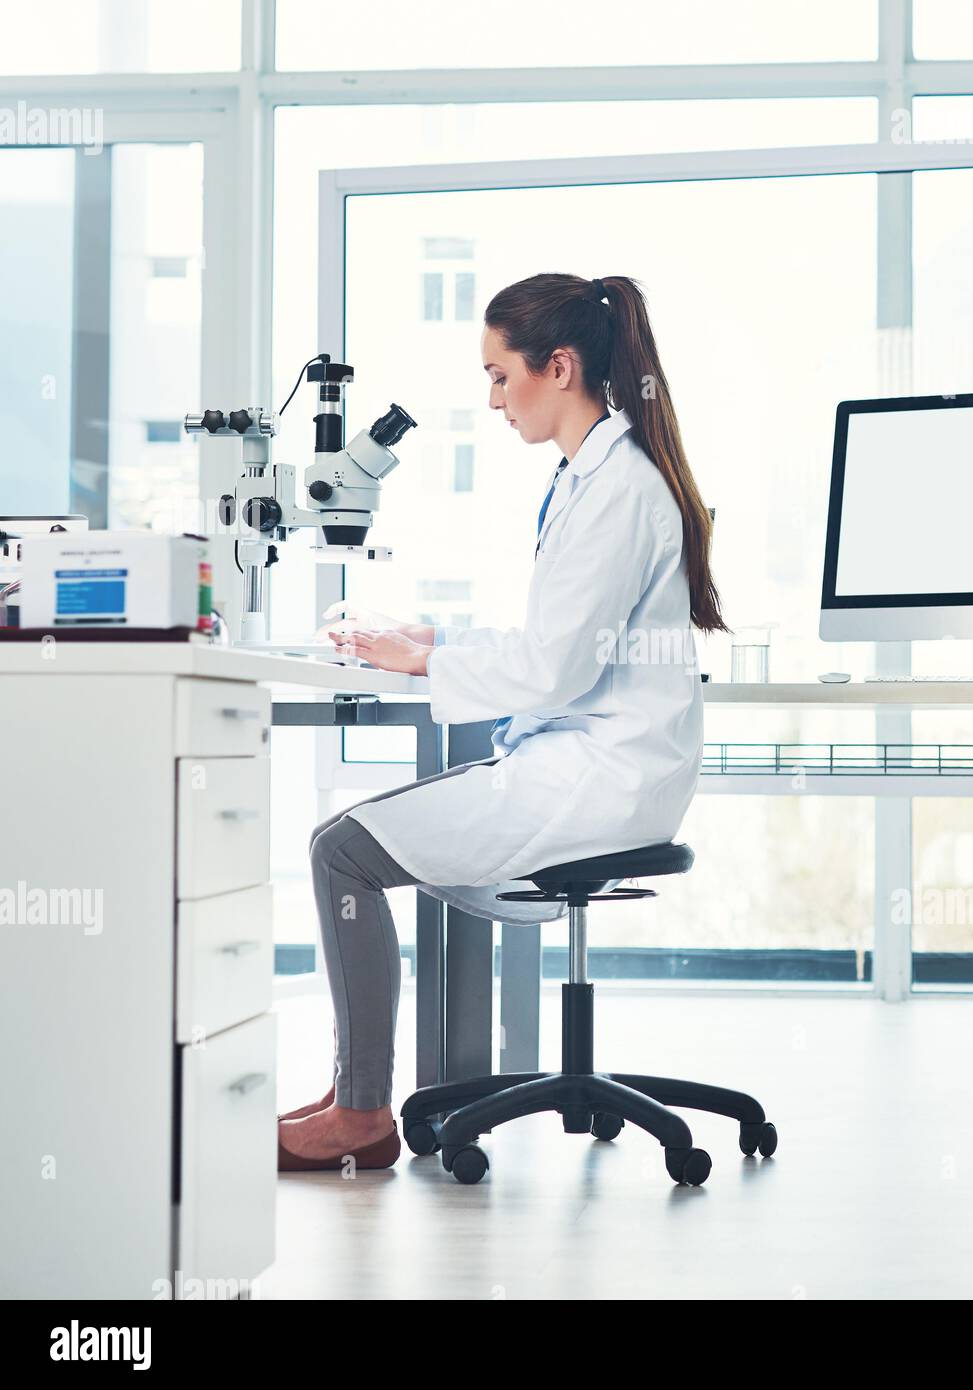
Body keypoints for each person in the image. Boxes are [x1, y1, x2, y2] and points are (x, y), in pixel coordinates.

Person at [277, 273, 727, 1170]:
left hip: (596, 782)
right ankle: (351, 1089)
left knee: (342, 850)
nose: (491, 400)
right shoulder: (600, 474)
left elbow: (557, 666)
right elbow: (558, 639)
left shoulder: (617, 488)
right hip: (605, 767)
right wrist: (435, 639)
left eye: (497, 375)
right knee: (358, 841)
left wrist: (429, 663)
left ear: (556, 367)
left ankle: (362, 1113)